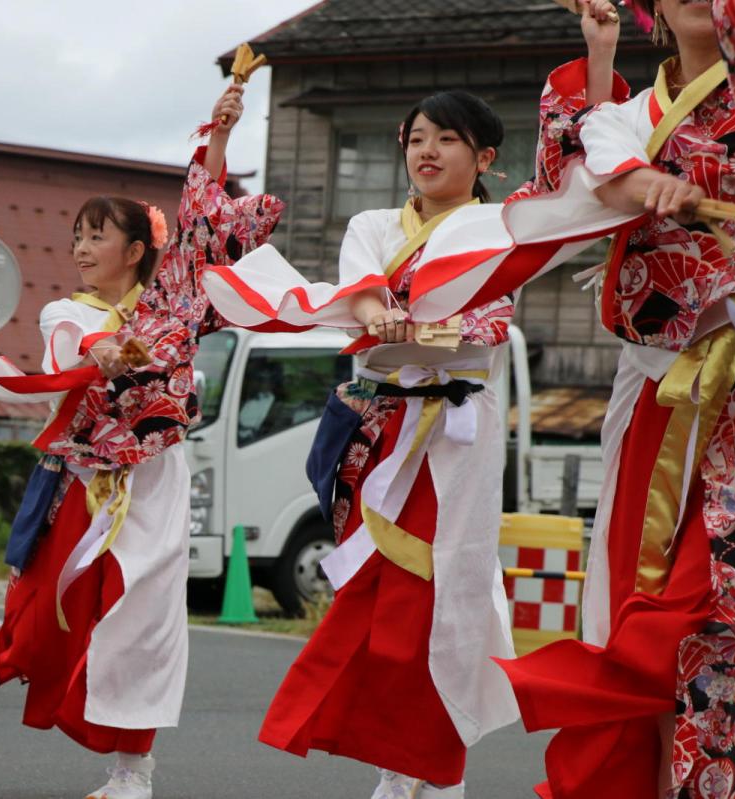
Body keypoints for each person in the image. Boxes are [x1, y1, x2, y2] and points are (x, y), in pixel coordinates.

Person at [389, 1, 735, 795]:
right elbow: (572, 186)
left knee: (733, 610)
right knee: (634, 617)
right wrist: (625, 136)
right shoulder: (623, 117)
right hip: (652, 393)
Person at [203, 59, 626, 791]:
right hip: (381, 431)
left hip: (459, 433)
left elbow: (572, 191)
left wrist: (600, 52)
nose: (426, 151)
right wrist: (378, 314)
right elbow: (364, 289)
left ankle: (434, 770)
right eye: (416, 138)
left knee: (446, 596)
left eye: (447, 139)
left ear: (485, 156)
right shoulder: (372, 224)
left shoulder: (498, 227)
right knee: (380, 600)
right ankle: (400, 771)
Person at [0, 83, 283, 799]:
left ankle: (132, 770)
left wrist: (222, 135)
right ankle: (106, 741)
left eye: (96, 235)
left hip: (157, 475)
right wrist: (106, 352)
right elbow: (69, 355)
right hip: (88, 485)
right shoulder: (66, 309)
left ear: (138, 249)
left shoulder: (174, 304)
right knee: (77, 615)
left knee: (146, 617)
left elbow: (203, 219)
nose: (82, 248)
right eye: (78, 236)